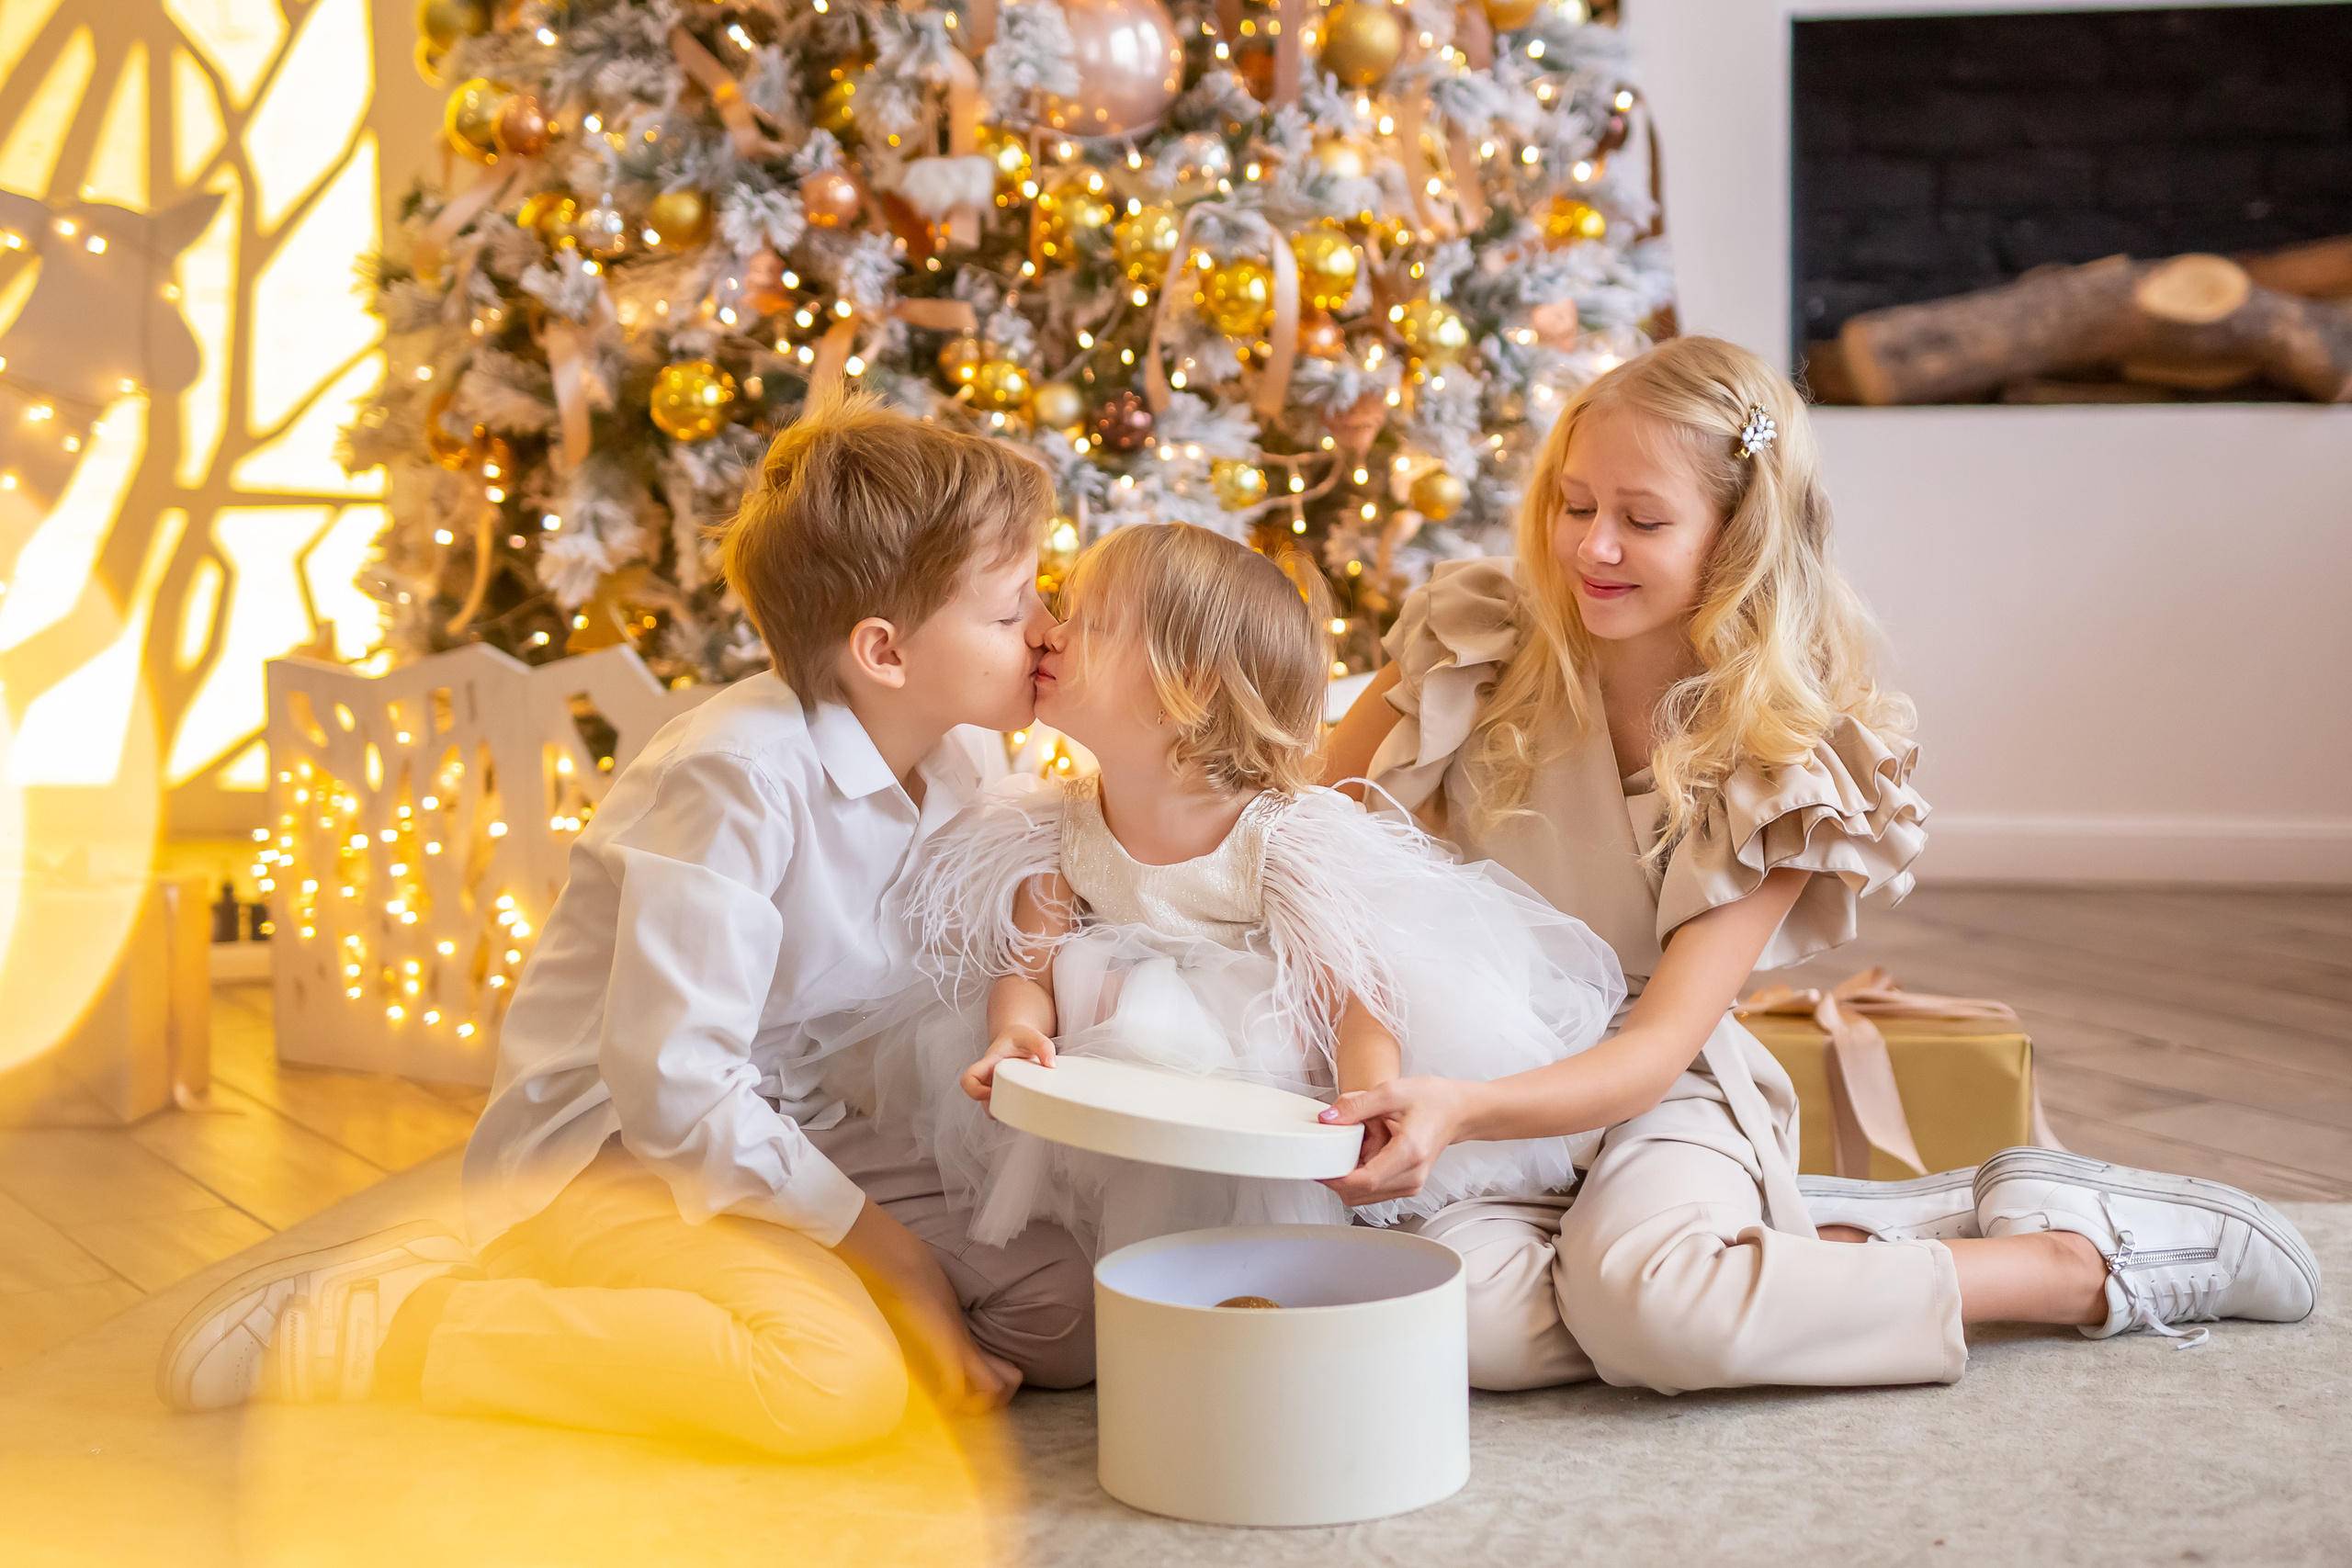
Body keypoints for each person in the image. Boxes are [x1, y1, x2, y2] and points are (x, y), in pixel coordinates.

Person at [1318, 336, 2319, 1392]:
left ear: (1735, 538)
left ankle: (2070, 1263)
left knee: (1654, 1320)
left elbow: (1657, 1047)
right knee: (1452, 1322)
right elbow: (1328, 864)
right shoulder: (1473, 643)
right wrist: (1378, 1087)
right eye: (1575, 507)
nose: (1593, 548)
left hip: (1660, 1085)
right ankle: (1810, 1239)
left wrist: (1461, 1114)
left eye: (1642, 520)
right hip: (1468, 1053)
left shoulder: (1783, 753)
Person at [156, 398, 1097, 1454]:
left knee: (1065, 1318)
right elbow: (679, 1092)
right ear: (883, 651)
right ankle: (407, 1320)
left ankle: (767, 1290)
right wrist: (903, 1263)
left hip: (797, 1129)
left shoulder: (964, 759)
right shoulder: (737, 772)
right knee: (829, 1385)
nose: (1049, 632)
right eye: (1015, 610)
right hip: (620, 1149)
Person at [865, 523, 1624, 1258]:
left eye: (1090, 625)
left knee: (1249, 1232)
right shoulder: (1052, 827)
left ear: (1184, 685)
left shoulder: (1280, 838)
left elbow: (1353, 997)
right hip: (1115, 1081)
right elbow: (1026, 967)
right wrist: (1014, 1031)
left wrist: (1367, 1101)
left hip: (1260, 1075)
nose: (1051, 634)